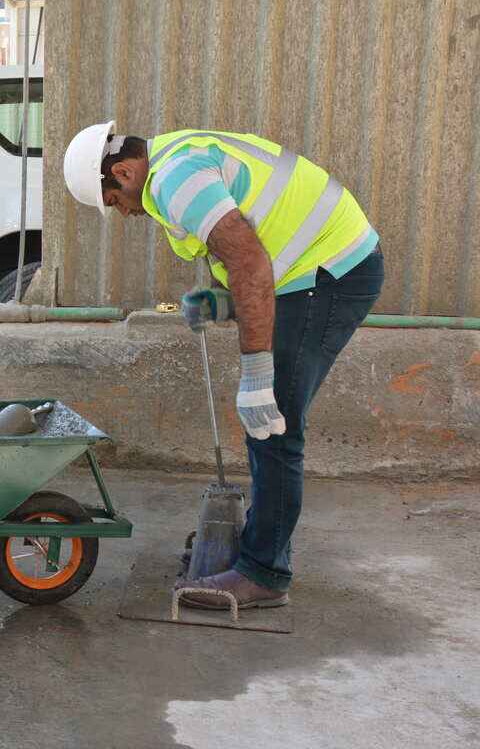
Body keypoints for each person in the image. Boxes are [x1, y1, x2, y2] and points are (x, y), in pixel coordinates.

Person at [63, 123, 384, 608]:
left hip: (328, 271)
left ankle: (263, 574)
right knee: (269, 424)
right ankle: (258, 549)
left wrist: (257, 373)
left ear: (124, 172)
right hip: (312, 270)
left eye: (114, 201)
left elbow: (251, 262)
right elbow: (249, 254)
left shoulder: (175, 180)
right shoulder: (173, 156)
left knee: (273, 423)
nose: (125, 214)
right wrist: (223, 302)